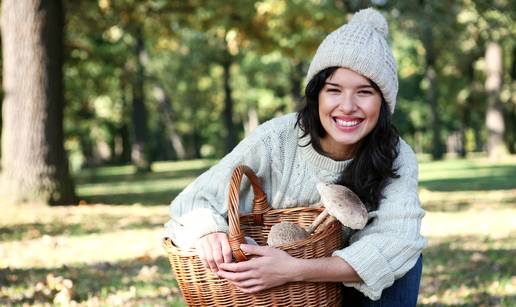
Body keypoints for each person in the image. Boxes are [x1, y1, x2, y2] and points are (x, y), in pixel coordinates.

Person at [164, 7, 427, 306]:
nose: (348, 105)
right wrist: (210, 232)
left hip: (342, 286)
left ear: (383, 102)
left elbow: (399, 240)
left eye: (365, 92)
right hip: (274, 294)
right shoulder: (277, 138)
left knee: (403, 265)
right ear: (317, 94)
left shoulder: (396, 154)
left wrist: (295, 270)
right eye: (334, 90)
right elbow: (191, 203)